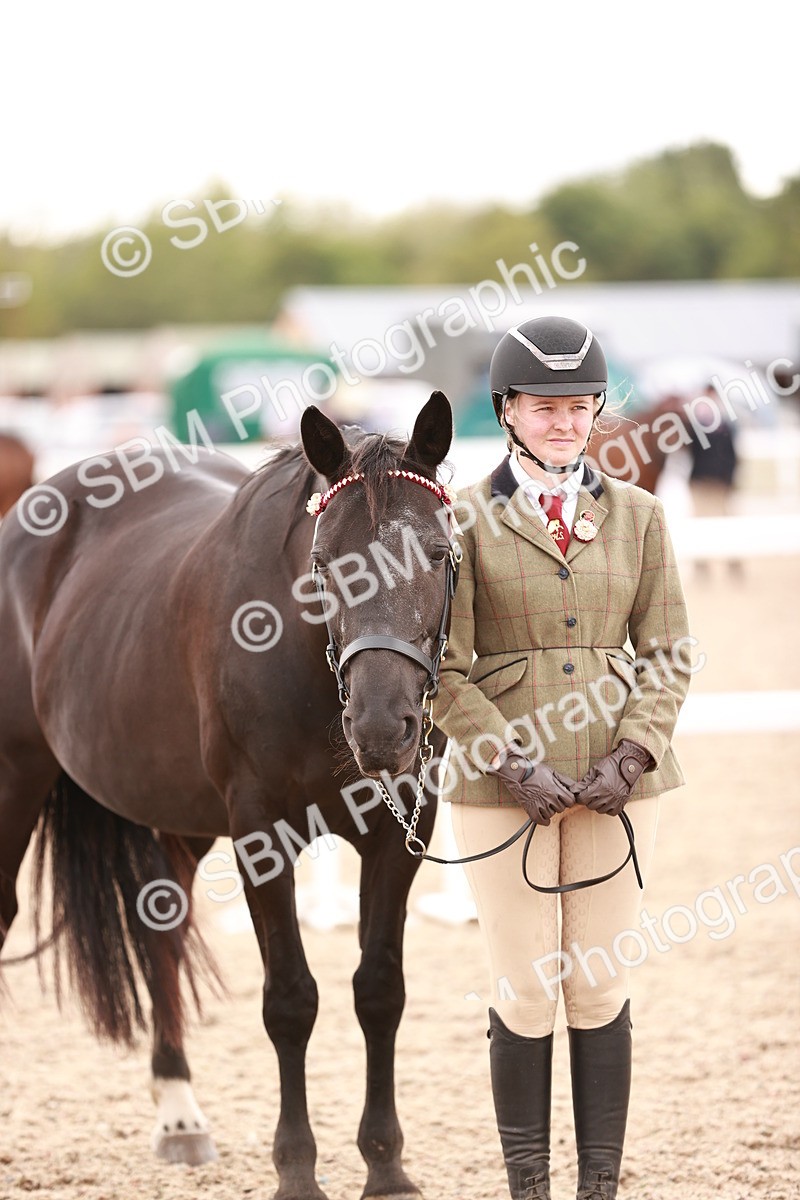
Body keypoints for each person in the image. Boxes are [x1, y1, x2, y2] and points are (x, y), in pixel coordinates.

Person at [433, 316, 691, 1200]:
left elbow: (668, 653)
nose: (565, 423)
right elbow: (441, 669)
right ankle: (529, 1188)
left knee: (601, 983)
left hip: (618, 781)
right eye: (545, 408)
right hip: (501, 786)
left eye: (580, 407)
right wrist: (509, 763)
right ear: (507, 411)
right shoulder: (461, 519)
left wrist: (636, 751)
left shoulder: (640, 515)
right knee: (524, 985)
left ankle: (599, 1188)